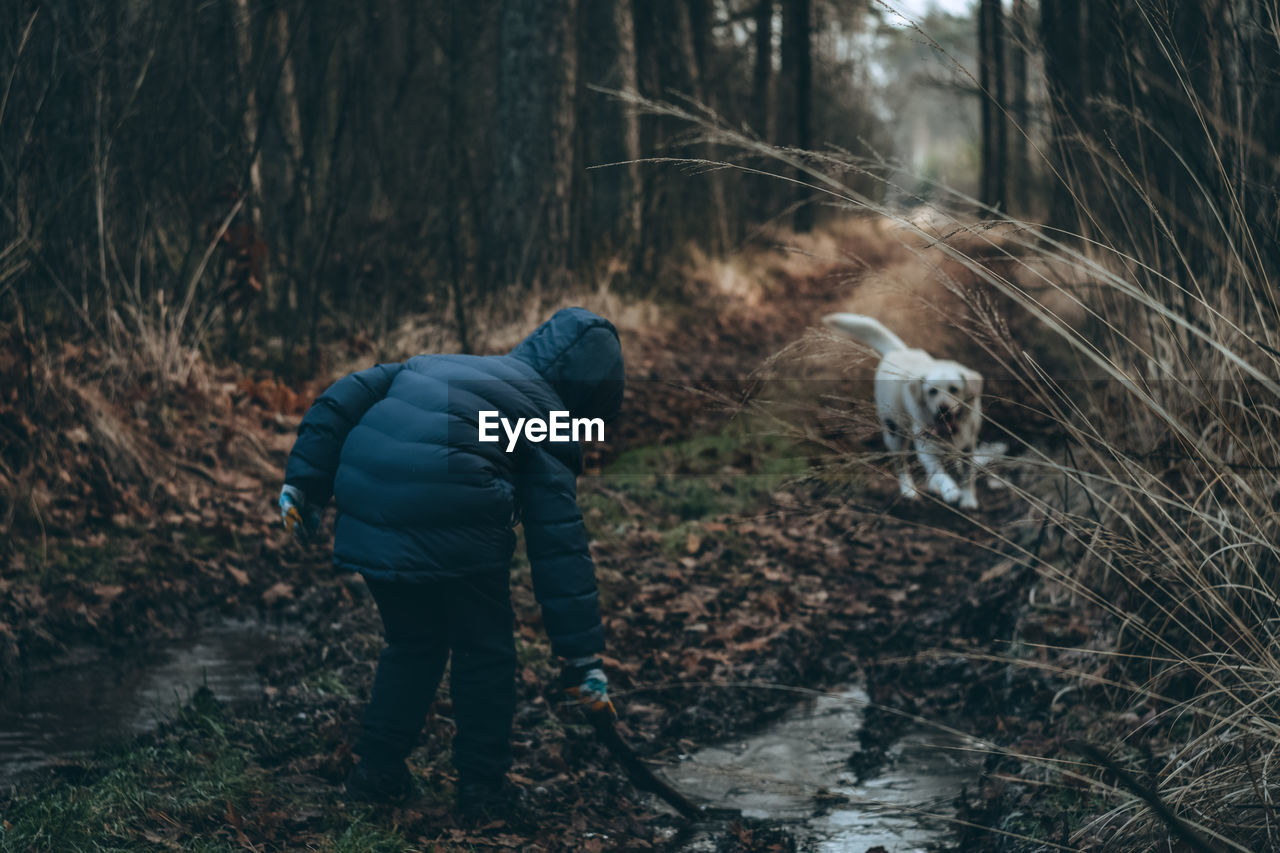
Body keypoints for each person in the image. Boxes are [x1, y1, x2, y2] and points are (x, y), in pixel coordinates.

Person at [277, 307, 623, 817]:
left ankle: (377, 772)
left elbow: (348, 392)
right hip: (456, 505)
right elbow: (559, 543)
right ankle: (483, 789)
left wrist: (304, 481)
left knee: (413, 642)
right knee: (485, 650)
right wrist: (582, 658)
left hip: (369, 501)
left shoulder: (444, 363)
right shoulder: (545, 416)